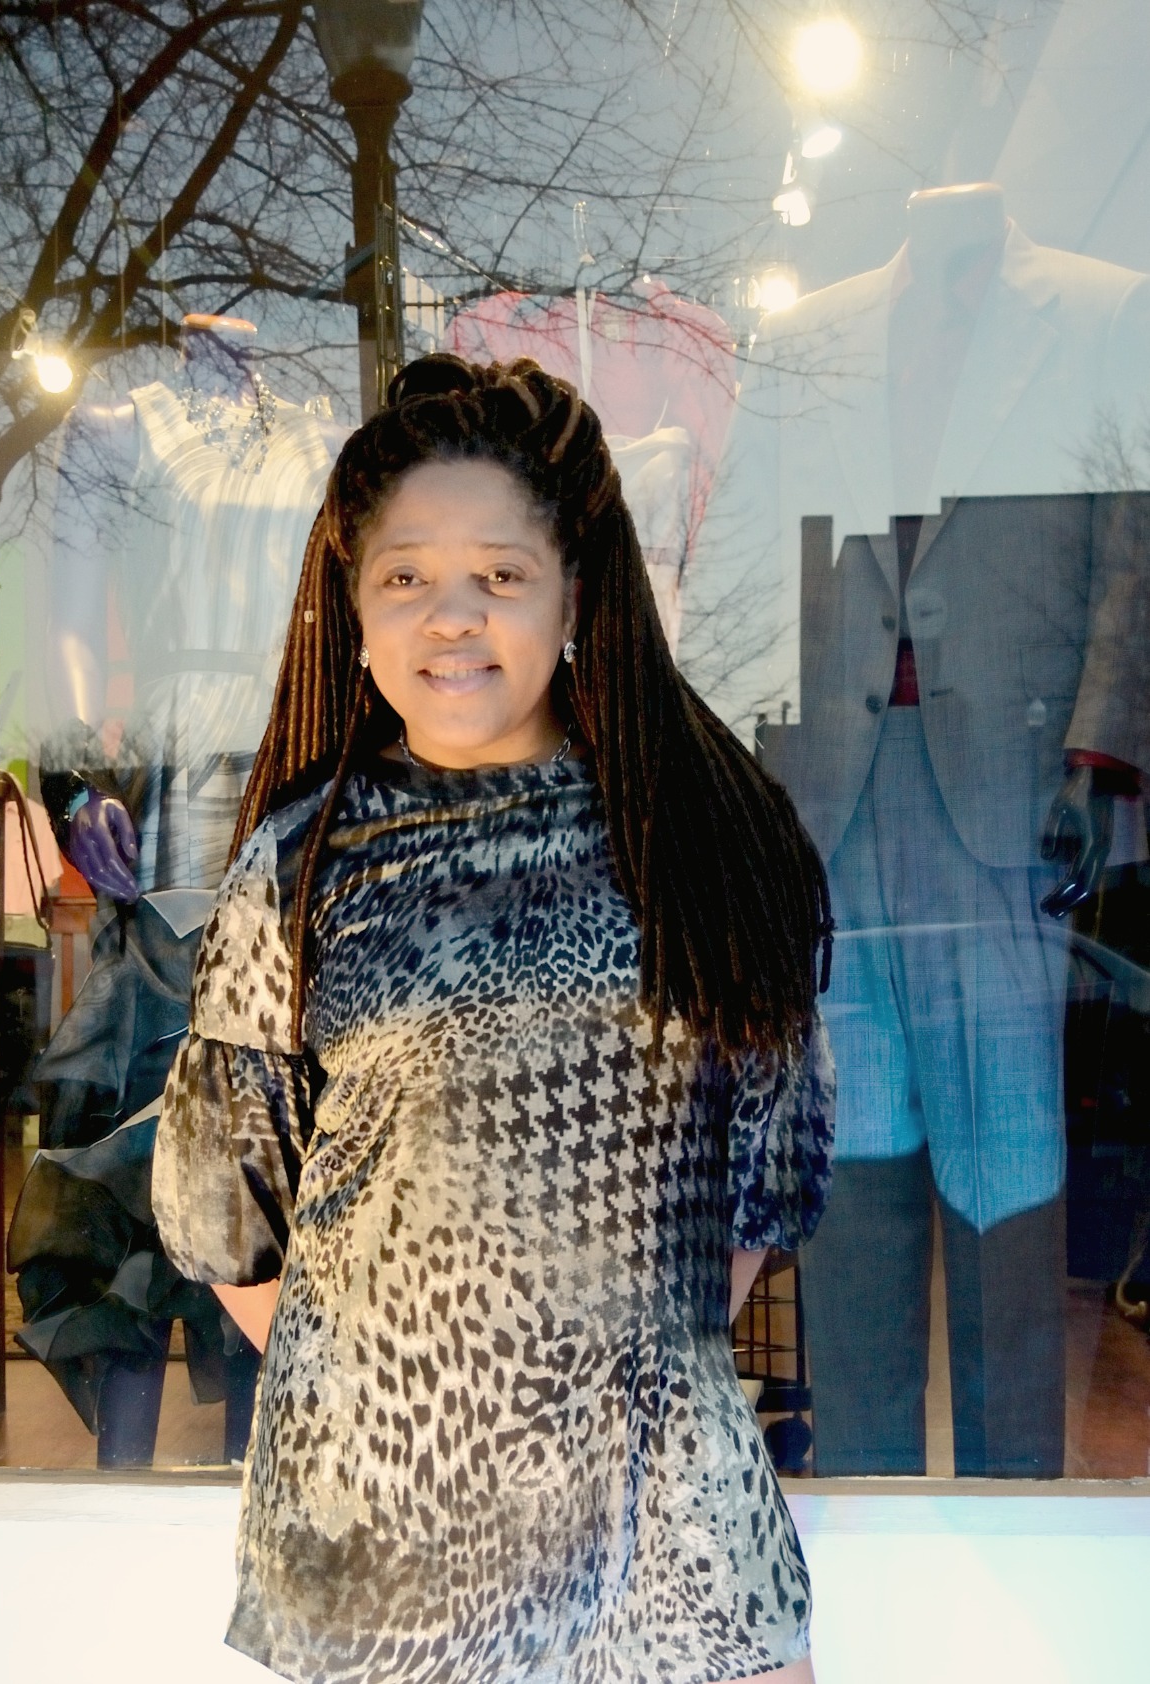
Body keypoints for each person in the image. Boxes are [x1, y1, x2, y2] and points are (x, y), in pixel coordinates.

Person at [152, 353, 837, 1684]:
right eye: (405, 576)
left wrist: (608, 1372)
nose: (451, 616)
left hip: (669, 1522)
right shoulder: (300, 868)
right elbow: (228, 1217)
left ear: (575, 593)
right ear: (353, 606)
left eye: (501, 574)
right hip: (387, 1540)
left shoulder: (707, 841)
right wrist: (411, 1396)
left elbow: (765, 1183)